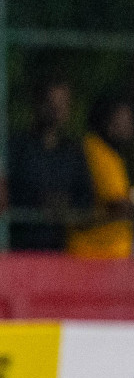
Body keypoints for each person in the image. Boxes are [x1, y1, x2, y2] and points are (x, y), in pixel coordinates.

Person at [6, 79, 94, 252]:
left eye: (62, 103)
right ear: (37, 104)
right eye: (50, 102)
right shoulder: (15, 147)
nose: (56, 110)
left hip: (58, 252)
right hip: (18, 250)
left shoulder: (73, 152)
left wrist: (66, 206)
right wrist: (37, 201)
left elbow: (86, 201)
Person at [68, 94, 134, 259]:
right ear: (107, 120)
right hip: (93, 258)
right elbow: (119, 205)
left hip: (111, 257)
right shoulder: (95, 149)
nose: (129, 124)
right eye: (123, 117)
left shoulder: (113, 154)